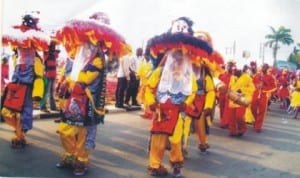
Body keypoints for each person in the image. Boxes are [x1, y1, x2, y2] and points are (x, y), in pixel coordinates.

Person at [55, 12, 130, 176]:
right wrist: (65, 82)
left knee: (84, 134)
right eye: (86, 40)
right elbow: (73, 73)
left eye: (91, 41)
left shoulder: (98, 59)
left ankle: (81, 160)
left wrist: (72, 83)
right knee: (64, 130)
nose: (86, 44)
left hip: (88, 103)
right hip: (74, 101)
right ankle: (70, 154)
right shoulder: (79, 55)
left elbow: (85, 79)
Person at [144, 16, 212, 177]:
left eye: (181, 58)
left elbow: (193, 91)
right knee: (157, 139)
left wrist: (186, 103)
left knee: (175, 140)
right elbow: (149, 88)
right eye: (175, 57)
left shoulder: (188, 77)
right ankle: (155, 165)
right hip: (161, 110)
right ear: (169, 58)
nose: (177, 61)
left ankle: (176, 164)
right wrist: (151, 102)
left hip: (178, 110)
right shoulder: (160, 72)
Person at [1, 12, 48, 148]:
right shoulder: (18, 38)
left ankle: (21, 133)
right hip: (18, 73)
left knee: (24, 105)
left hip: (28, 74)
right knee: (11, 105)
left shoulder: (35, 39)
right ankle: (19, 131)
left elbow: (41, 50)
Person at [251, 64, 277, 132]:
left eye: (265, 67)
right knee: (252, 108)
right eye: (263, 67)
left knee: (262, 111)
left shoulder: (270, 77)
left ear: (267, 69)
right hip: (255, 94)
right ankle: (256, 121)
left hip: (264, 95)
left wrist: (264, 88)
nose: (263, 68)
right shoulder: (256, 76)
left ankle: (258, 127)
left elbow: (274, 87)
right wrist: (256, 86)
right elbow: (252, 83)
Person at [40, 39, 60, 112]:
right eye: (52, 45)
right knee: (46, 91)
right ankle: (43, 107)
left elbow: (57, 54)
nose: (53, 46)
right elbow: (44, 60)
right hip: (47, 74)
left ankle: (53, 107)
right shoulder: (46, 53)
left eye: (54, 45)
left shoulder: (53, 54)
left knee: (51, 92)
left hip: (53, 74)